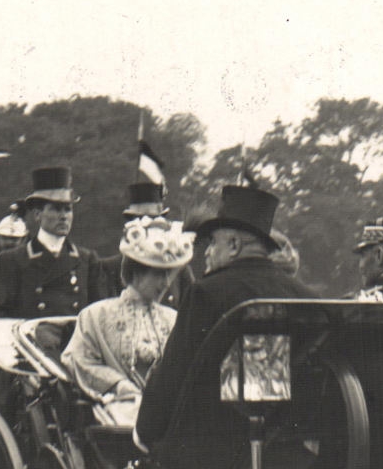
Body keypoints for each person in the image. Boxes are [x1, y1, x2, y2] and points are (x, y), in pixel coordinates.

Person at [134, 183, 315, 453]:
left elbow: (174, 373)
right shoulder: (305, 296)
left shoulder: (207, 293)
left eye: (213, 243)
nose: (206, 253)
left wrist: (145, 432)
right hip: (289, 451)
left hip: (213, 455)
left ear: (233, 245)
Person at [61, 216, 189, 426]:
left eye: (169, 274)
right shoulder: (97, 315)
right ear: (136, 271)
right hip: (117, 408)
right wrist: (117, 384)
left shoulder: (173, 319)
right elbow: (78, 359)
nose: (166, 283)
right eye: (158, 274)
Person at [0, 167, 107, 349]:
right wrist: (31, 332)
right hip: (29, 355)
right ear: (37, 215)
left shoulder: (87, 260)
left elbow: (100, 315)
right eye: (56, 209)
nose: (64, 216)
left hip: (78, 354)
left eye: (68, 209)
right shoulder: (12, 260)